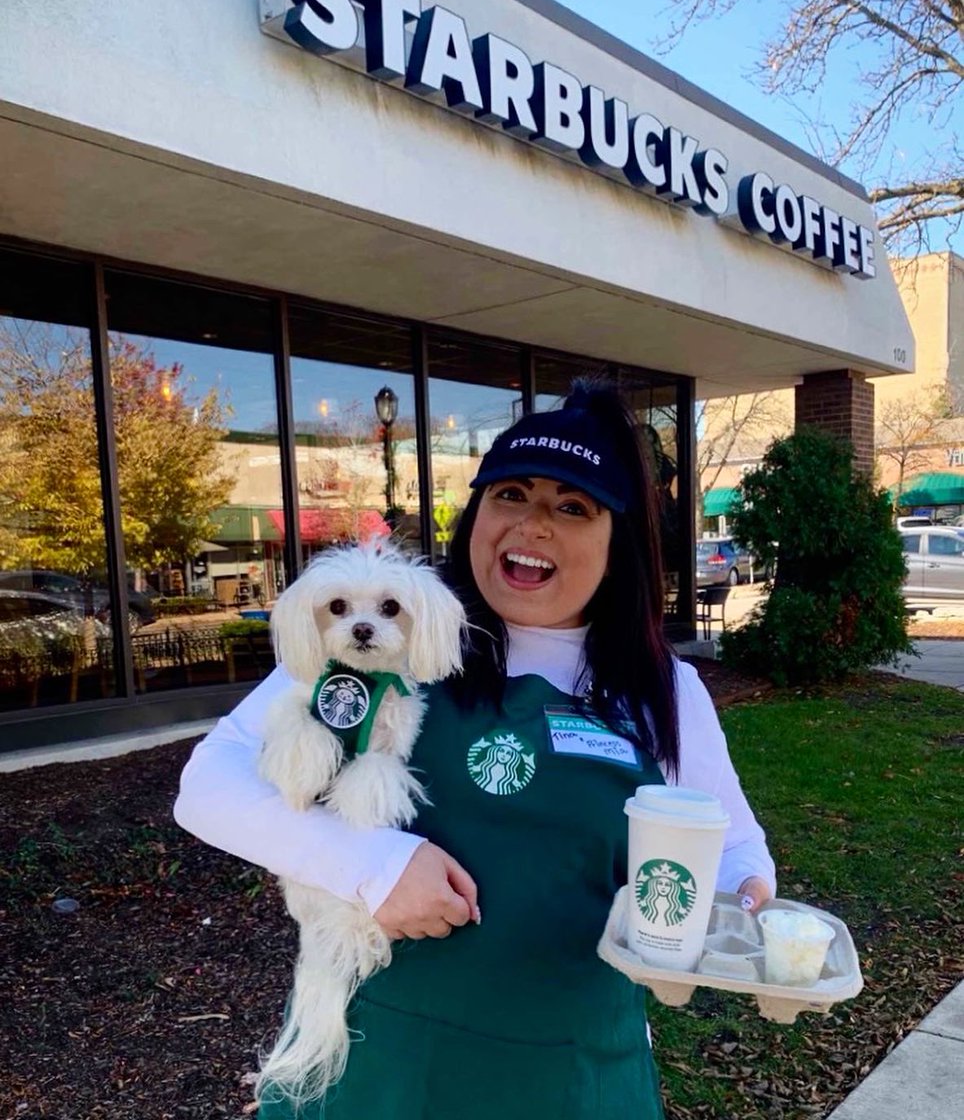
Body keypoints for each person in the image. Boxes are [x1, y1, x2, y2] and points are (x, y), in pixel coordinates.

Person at [174, 382, 776, 1120]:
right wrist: (374, 868)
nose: (533, 524)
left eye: (572, 506)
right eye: (512, 494)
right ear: (477, 512)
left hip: (571, 1078)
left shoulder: (664, 691)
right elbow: (209, 785)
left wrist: (749, 917)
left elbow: (735, 850)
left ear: (616, 541)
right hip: (375, 1068)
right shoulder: (392, 632)